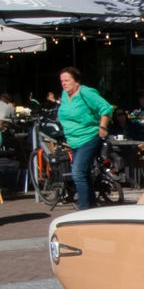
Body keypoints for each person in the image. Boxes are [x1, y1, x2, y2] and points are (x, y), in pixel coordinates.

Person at [56, 67, 113, 210]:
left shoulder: (86, 92)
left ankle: (83, 208)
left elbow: (106, 108)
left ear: (76, 81)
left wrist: (103, 127)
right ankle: (91, 206)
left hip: (89, 137)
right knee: (84, 173)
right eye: (62, 81)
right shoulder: (64, 95)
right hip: (73, 140)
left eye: (67, 80)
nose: (64, 83)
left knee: (77, 172)